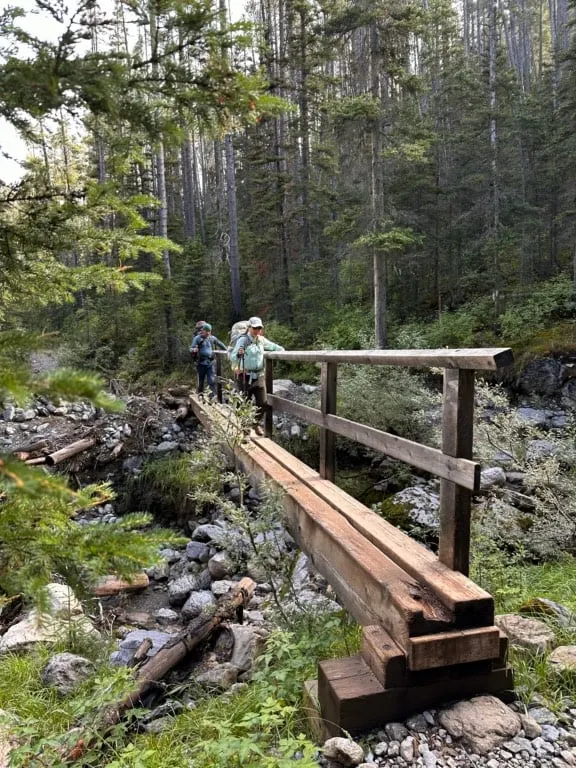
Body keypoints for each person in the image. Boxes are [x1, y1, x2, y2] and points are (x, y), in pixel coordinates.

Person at [229, 316, 285, 435]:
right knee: (245, 404)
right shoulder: (242, 340)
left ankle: (254, 424)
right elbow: (232, 356)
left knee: (263, 403)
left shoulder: (261, 340)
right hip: (244, 375)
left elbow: (273, 347)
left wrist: (283, 351)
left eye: (259, 328)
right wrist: (239, 355)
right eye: (254, 328)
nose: (257, 330)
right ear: (249, 328)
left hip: (259, 375)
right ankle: (245, 432)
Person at [190, 323, 227, 400]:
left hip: (210, 363)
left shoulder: (212, 338)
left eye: (204, 330)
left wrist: (227, 351)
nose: (202, 331)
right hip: (201, 363)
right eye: (202, 330)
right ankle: (200, 396)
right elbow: (191, 348)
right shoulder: (197, 338)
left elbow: (220, 344)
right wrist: (193, 350)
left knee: (212, 381)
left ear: (208, 332)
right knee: (201, 381)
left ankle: (213, 397)